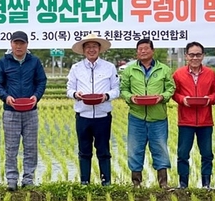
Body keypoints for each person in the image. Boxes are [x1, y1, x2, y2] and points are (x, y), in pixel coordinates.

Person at [0, 31, 47, 191]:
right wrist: (6, 97)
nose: (18, 46)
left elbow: (41, 81)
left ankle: (28, 178)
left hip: (31, 111)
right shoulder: (3, 62)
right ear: (11, 44)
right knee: (11, 147)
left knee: (30, 146)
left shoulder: (34, 61)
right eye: (16, 43)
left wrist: (36, 97)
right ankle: (11, 179)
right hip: (11, 111)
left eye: (22, 43)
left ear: (27, 45)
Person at [119, 38, 175, 188]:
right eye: (140, 49)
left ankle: (163, 182)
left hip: (158, 117)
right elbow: (123, 89)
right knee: (135, 149)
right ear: (137, 52)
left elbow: (171, 88)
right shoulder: (130, 70)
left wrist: (162, 97)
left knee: (160, 148)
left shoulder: (164, 69)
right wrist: (130, 98)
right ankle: (136, 182)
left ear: (152, 51)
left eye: (145, 48)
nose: (142, 51)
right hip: (136, 116)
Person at [66, 33, 120, 185]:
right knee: (84, 151)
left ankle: (106, 182)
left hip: (103, 116)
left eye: (94, 47)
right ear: (83, 50)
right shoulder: (76, 68)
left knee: (103, 151)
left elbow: (116, 89)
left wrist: (106, 96)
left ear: (100, 49)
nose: (91, 50)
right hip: (83, 115)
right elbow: (69, 89)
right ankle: (85, 182)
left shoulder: (109, 67)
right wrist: (76, 94)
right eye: (88, 47)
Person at [172, 41, 215, 189]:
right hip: (186, 120)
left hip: (205, 120)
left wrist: (208, 100)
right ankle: (183, 184)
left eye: (198, 55)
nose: (195, 58)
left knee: (207, 154)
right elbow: (174, 93)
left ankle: (206, 184)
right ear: (186, 56)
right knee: (183, 154)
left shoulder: (210, 73)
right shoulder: (178, 74)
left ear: (203, 56)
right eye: (191, 55)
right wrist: (182, 99)